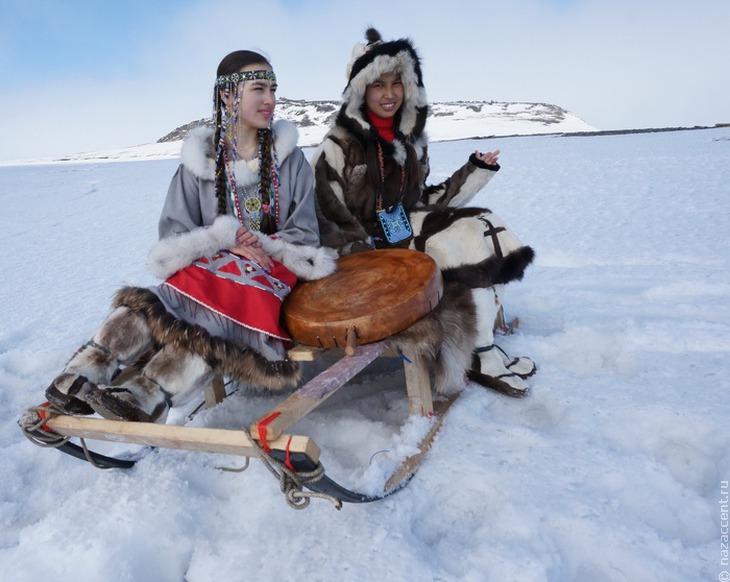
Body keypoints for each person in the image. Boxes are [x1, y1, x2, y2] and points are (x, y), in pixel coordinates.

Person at [44, 50, 336, 423]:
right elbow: (175, 234)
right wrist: (224, 241)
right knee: (178, 292)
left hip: (269, 275)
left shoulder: (290, 160)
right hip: (206, 270)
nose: (270, 100)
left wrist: (255, 247)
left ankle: (149, 393)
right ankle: (86, 371)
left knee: (220, 298)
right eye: (259, 89)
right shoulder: (199, 163)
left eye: (273, 90)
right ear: (228, 97)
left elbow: (305, 232)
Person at [312, 28, 536, 397]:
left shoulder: (412, 144)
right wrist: (367, 259)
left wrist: (475, 171)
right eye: (377, 84)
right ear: (360, 90)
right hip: (361, 250)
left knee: (478, 223)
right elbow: (327, 214)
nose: (389, 94)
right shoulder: (337, 146)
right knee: (455, 242)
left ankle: (482, 346)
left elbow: (424, 202)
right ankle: (477, 354)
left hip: (400, 232)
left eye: (397, 83)